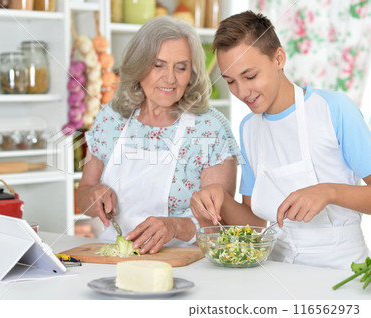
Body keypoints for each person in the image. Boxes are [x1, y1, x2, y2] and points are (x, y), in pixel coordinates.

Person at [190, 11, 371, 270]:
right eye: (230, 81)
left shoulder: (333, 109)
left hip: (341, 270)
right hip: (278, 270)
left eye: (250, 76)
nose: (242, 92)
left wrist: (329, 192)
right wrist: (221, 197)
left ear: (278, 58)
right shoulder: (249, 127)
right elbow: (255, 224)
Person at [76, 16, 241, 254]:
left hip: (188, 262)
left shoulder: (210, 128)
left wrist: (175, 227)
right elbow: (84, 194)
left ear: (192, 73)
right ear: (139, 65)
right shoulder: (111, 119)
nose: (170, 78)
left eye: (181, 67)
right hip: (115, 258)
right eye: (158, 65)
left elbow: (222, 225)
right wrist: (94, 195)